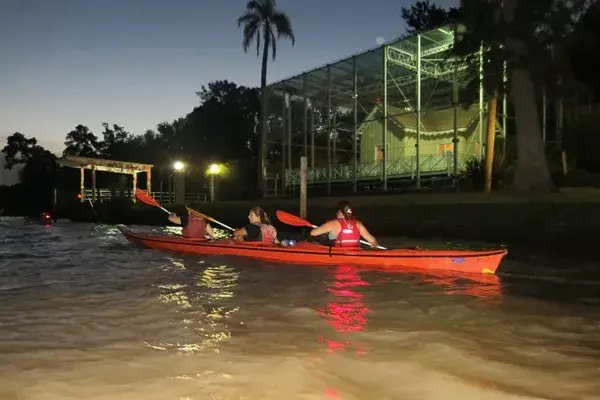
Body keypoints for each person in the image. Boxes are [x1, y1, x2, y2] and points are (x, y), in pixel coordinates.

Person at [310, 201, 378, 248]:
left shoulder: (333, 223)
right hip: (355, 253)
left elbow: (313, 233)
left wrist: (322, 228)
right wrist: (374, 245)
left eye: (337, 213)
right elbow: (373, 241)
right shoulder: (358, 224)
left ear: (340, 212)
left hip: (337, 254)